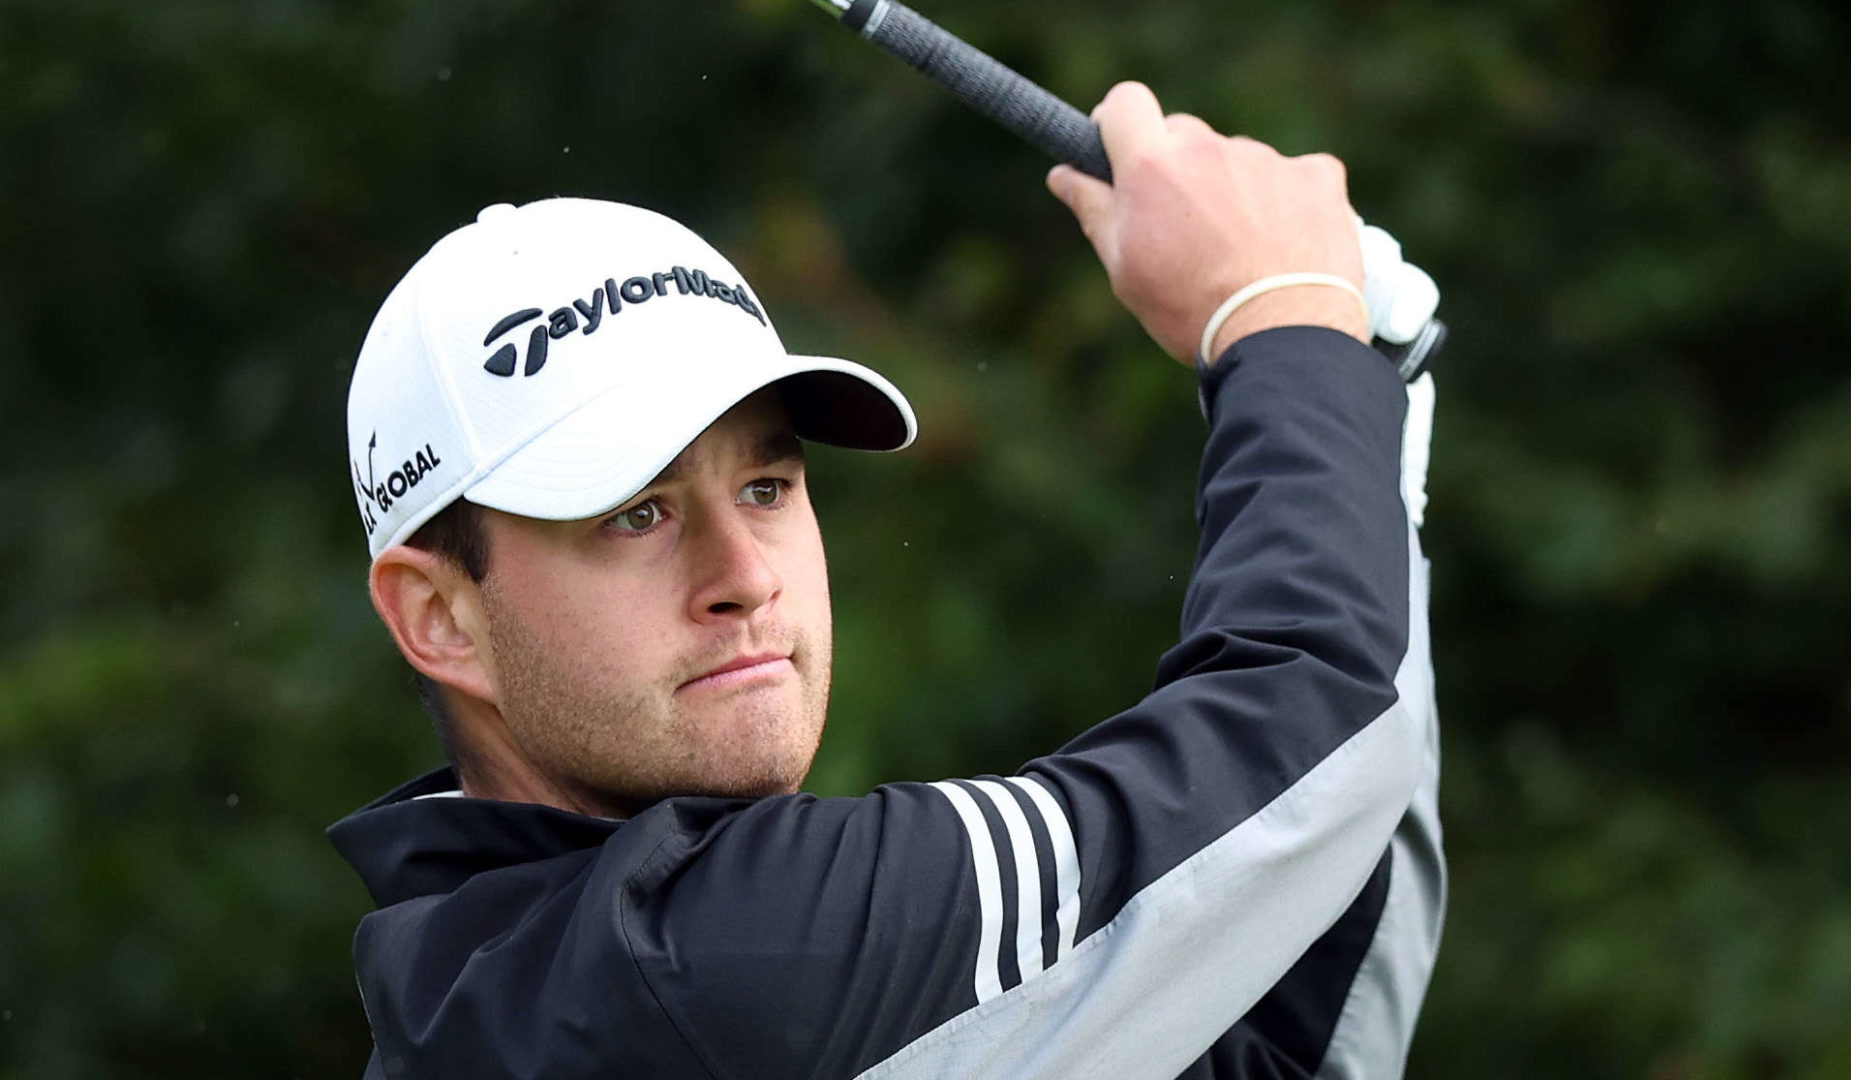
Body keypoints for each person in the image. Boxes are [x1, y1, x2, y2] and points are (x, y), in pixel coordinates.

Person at [329, 82, 1443, 1079]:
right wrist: (1288, 325)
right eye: (638, 513)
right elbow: (1317, 741)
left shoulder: (510, 990)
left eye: (767, 487)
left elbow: (1272, 980)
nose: (745, 578)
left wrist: (1359, 393)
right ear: (440, 618)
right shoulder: (702, 966)